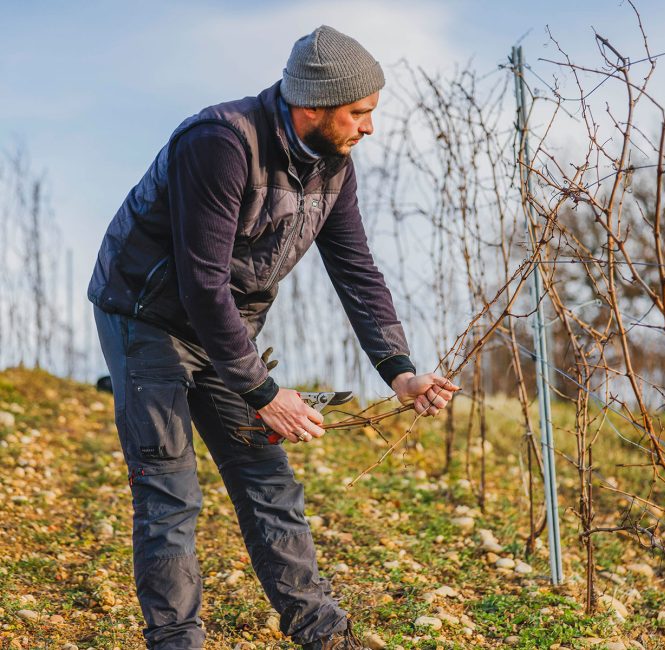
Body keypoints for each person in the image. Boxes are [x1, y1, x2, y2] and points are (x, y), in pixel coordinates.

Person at [87, 25, 458, 650]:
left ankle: (325, 637)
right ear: (312, 104)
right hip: (145, 315)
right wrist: (264, 392)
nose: (369, 127)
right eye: (359, 112)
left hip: (224, 327)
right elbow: (202, 282)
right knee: (169, 489)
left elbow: (356, 269)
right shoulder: (220, 142)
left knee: (268, 484)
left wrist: (400, 370)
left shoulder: (334, 166)